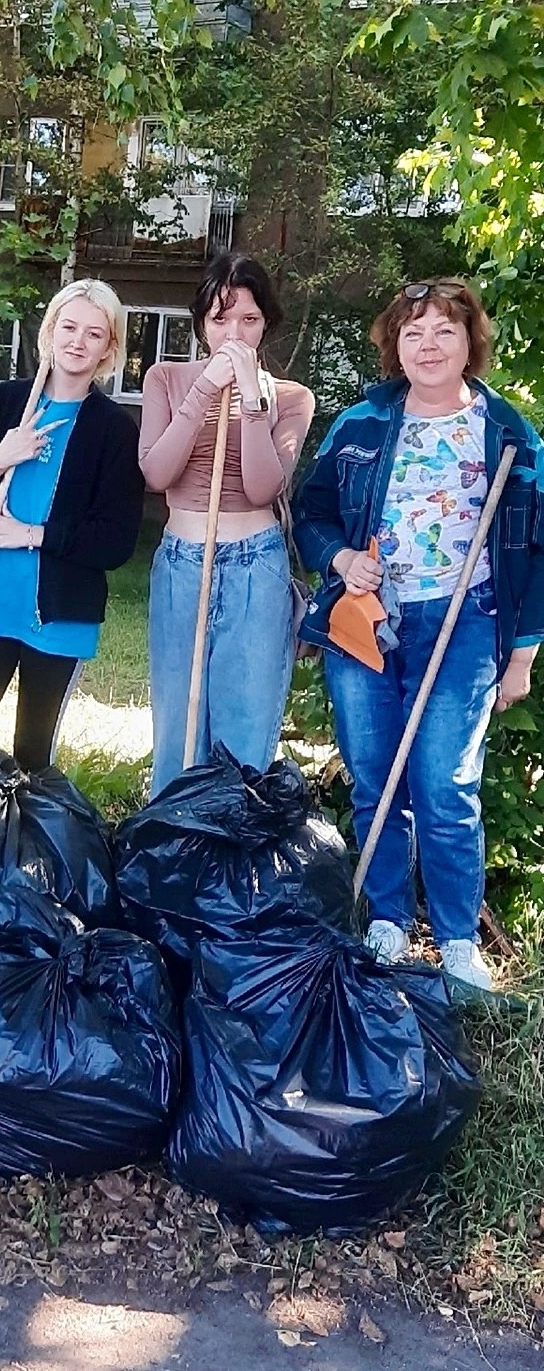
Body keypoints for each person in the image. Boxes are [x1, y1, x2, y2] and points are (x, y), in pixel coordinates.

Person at [291, 278, 544, 991]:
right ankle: (388, 922)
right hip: (368, 620)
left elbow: (539, 549)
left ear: (471, 343)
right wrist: (341, 560)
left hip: (465, 624)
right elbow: (311, 516)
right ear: (393, 346)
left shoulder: (509, 433)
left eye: (443, 331)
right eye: (412, 332)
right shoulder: (361, 424)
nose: (427, 345)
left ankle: (460, 941)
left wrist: (522, 653)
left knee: (445, 781)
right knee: (375, 777)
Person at [0, 278, 145, 772]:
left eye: (94, 334)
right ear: (49, 331)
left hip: (59, 618)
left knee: (34, 757)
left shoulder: (113, 428)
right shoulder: (7, 404)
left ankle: (26, 848)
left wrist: (31, 536)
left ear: (109, 348)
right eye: (68, 327)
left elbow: (116, 540)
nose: (77, 341)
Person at [140, 253, 314, 795]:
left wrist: (249, 405)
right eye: (220, 319)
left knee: (247, 727)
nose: (234, 332)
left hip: (254, 567)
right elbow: (156, 472)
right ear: (200, 324)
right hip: (182, 562)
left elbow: (263, 486)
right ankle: (174, 854)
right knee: (179, 728)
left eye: (249, 320)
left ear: (267, 325)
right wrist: (202, 395)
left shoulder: (291, 398)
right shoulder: (165, 378)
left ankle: (235, 865)